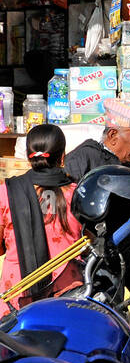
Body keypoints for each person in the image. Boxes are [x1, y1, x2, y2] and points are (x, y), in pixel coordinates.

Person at [64, 99, 130, 315]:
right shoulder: (85, 159)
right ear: (113, 135)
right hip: (81, 275)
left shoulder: (127, 172)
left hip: (112, 277)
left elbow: (127, 234)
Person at [0, 123, 82, 304]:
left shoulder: (6, 192)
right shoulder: (78, 194)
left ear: (29, 158)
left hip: (18, 296)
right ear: (62, 156)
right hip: (67, 294)